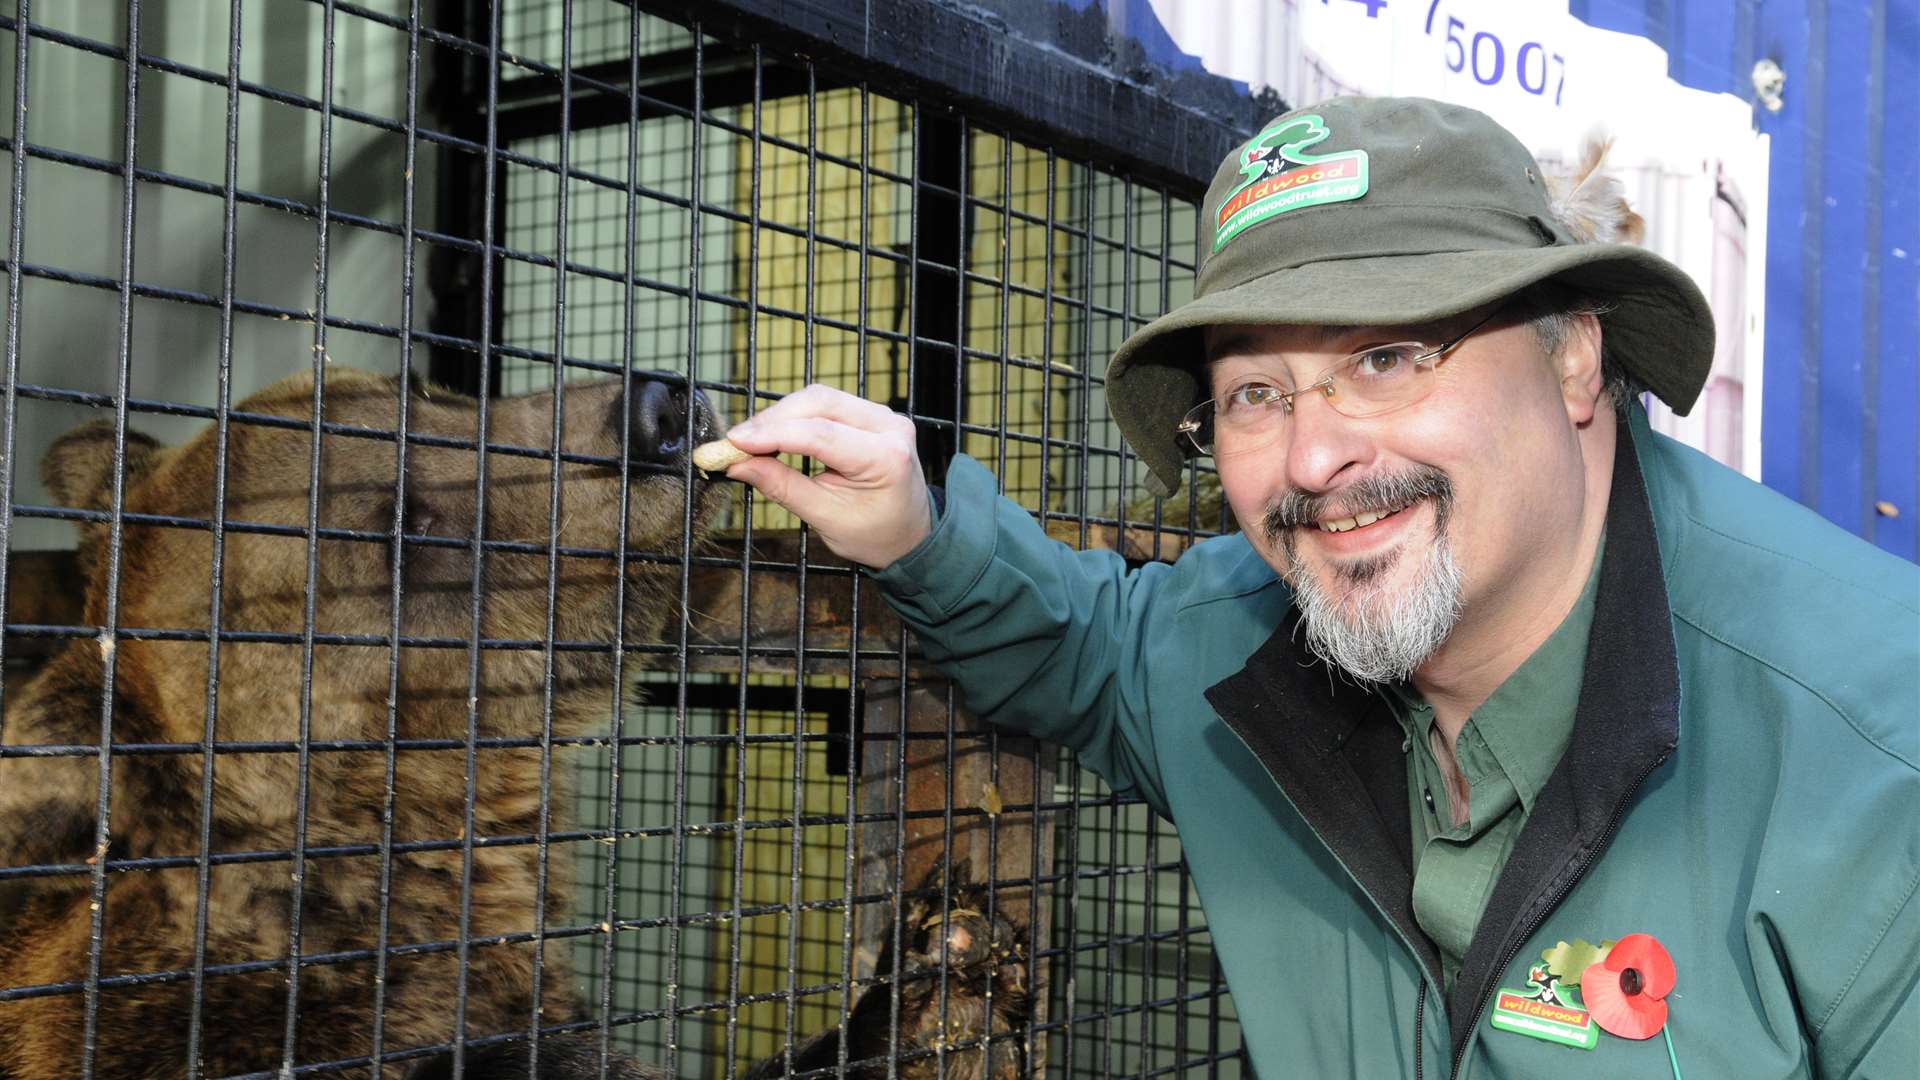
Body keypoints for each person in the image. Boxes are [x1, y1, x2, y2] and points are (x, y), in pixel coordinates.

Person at [716, 97, 1919, 1077]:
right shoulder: (1245, 638)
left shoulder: (1874, 762)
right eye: (1253, 392)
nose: (1311, 459)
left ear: (1573, 355)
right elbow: (1082, 647)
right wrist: (919, 528)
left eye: (1386, 358)